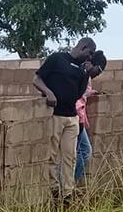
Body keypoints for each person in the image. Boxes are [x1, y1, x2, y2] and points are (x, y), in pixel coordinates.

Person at [33, 38, 100, 202]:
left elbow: (78, 94)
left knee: (70, 157)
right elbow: (37, 79)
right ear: (83, 47)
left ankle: (68, 194)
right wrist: (48, 92)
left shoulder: (81, 69)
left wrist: (86, 74)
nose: (89, 58)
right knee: (53, 156)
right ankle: (54, 190)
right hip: (55, 115)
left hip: (72, 117)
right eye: (89, 53)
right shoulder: (57, 59)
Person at [74, 52, 106, 183]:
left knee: (73, 153)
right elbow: (79, 93)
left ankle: (66, 184)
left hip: (77, 117)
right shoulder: (83, 73)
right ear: (93, 64)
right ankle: (69, 183)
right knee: (85, 152)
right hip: (76, 116)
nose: (98, 74)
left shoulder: (82, 72)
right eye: (98, 70)